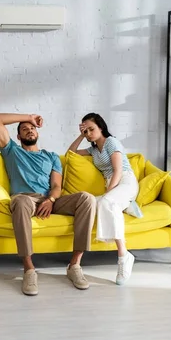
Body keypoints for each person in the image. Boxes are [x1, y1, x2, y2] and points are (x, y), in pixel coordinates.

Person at [0, 113, 96, 296]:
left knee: (87, 198)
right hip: (25, 199)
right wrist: (30, 118)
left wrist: (51, 200)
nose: (29, 130)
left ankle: (74, 265)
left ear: (37, 133)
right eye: (25, 129)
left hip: (49, 199)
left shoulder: (51, 157)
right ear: (18, 136)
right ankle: (29, 269)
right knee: (22, 201)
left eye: (32, 128)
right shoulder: (12, 151)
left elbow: (56, 186)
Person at [67, 113, 139, 286]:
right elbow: (70, 152)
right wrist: (80, 135)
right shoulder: (93, 150)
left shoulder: (111, 143)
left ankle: (123, 256)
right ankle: (125, 205)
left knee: (107, 202)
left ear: (101, 127)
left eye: (92, 129)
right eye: (87, 131)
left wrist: (109, 192)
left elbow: (118, 170)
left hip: (124, 181)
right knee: (90, 204)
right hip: (113, 187)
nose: (89, 133)